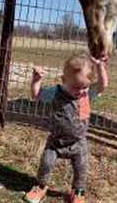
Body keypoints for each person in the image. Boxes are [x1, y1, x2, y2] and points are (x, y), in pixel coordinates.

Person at [23, 52, 108, 203]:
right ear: (64, 80)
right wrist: (36, 80)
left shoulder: (86, 95)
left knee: (81, 169)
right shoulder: (56, 93)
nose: (81, 91)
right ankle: (41, 186)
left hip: (78, 143)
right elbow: (36, 95)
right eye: (76, 87)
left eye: (85, 87)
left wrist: (100, 66)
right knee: (46, 164)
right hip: (55, 142)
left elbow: (102, 86)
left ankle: (78, 192)